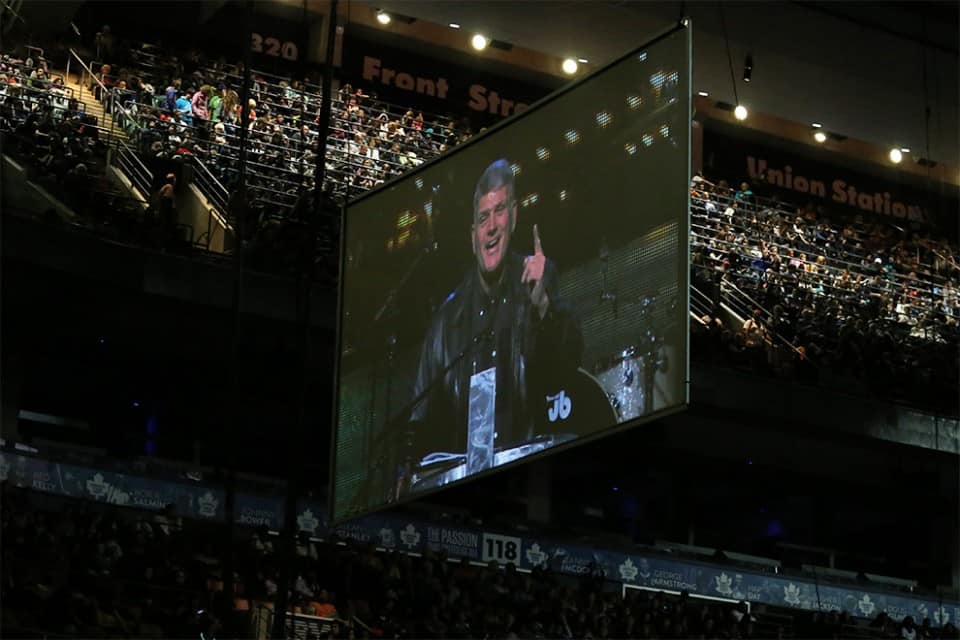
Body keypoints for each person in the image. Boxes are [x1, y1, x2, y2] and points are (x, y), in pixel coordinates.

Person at [409, 158, 583, 466]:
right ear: (472, 235)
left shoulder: (538, 279)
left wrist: (541, 305)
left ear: (514, 217)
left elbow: (566, 366)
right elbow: (418, 420)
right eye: (483, 217)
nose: (491, 227)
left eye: (499, 211)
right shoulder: (446, 320)